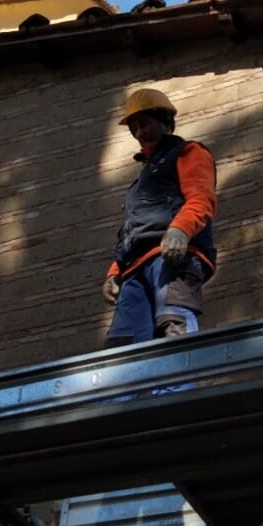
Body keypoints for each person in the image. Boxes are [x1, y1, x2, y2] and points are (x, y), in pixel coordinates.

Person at [102, 88, 216, 347]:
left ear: (166, 122)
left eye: (144, 124)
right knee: (123, 344)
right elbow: (130, 231)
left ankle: (179, 388)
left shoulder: (188, 153)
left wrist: (181, 230)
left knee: (174, 324)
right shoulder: (140, 182)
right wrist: (114, 271)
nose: (139, 133)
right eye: (133, 128)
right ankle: (134, 389)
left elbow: (200, 199)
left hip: (171, 258)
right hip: (133, 269)